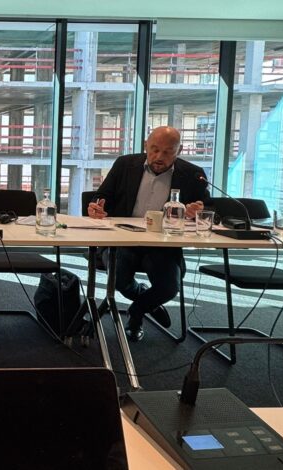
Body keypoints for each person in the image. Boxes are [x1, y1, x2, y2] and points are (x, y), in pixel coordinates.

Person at [88, 126, 208, 342]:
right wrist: (96, 207)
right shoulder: (125, 164)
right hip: (122, 239)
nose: (159, 157)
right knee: (119, 279)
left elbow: (208, 208)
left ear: (179, 151)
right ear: (146, 146)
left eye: (168, 152)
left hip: (163, 243)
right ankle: (144, 300)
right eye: (154, 149)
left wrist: (196, 211)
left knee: (169, 287)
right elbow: (102, 196)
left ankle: (137, 310)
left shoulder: (193, 174)